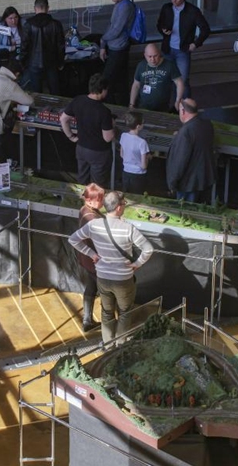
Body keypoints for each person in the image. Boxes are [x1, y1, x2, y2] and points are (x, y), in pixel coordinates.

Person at [69, 191, 154, 344]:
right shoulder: (128, 228)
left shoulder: (93, 225)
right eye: (124, 203)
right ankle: (120, 345)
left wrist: (92, 254)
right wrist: (137, 263)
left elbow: (73, 239)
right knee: (125, 313)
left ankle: (108, 346)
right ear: (119, 208)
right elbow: (148, 249)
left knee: (106, 312)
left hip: (102, 278)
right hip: (124, 280)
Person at [60, 73, 115, 187]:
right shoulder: (104, 111)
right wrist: (113, 125)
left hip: (81, 148)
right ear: (103, 90)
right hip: (99, 153)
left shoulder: (78, 100)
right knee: (97, 187)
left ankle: (82, 198)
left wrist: (71, 136)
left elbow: (63, 119)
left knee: (82, 182)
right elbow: (108, 137)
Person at [156, 0, 210, 99]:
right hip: (167, 49)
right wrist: (163, 30)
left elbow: (205, 29)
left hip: (183, 51)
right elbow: (159, 24)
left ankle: (184, 106)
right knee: (166, 79)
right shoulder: (166, 8)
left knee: (182, 81)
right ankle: (169, 104)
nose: (174, 0)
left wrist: (195, 44)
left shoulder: (193, 11)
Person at [166, 99, 217, 202]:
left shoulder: (186, 132)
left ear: (183, 111)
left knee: (185, 209)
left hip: (188, 183)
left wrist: (172, 183)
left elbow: (180, 161)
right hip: (203, 179)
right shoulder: (207, 124)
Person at [100, 0, 135, 106]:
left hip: (118, 47)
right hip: (117, 46)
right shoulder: (119, 4)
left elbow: (116, 30)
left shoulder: (124, 6)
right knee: (120, 80)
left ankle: (112, 106)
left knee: (107, 80)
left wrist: (103, 40)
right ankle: (122, 105)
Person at [20, 0, 65, 95]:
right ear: (48, 8)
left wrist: (23, 63)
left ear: (35, 8)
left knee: (36, 93)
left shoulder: (28, 24)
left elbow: (24, 46)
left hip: (33, 63)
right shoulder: (56, 24)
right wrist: (60, 63)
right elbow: (61, 46)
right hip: (52, 63)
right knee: (54, 92)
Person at [77, 183, 105, 332]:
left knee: (91, 285)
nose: (103, 201)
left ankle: (87, 320)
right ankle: (108, 324)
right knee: (105, 291)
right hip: (95, 260)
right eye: (100, 199)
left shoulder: (84, 210)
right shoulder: (91, 217)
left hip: (87, 259)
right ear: (90, 200)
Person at [129, 43, 183, 112]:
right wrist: (131, 104)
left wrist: (178, 100)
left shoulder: (169, 65)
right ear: (145, 55)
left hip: (163, 107)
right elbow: (136, 85)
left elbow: (179, 82)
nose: (153, 59)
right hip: (143, 106)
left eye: (155, 56)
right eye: (150, 56)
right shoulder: (141, 66)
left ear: (159, 53)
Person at [120, 111, 150, 194]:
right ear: (138, 126)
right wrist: (148, 158)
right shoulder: (142, 142)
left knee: (126, 195)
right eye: (143, 123)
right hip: (138, 175)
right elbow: (144, 166)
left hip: (126, 172)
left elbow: (122, 154)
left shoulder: (123, 136)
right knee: (138, 196)